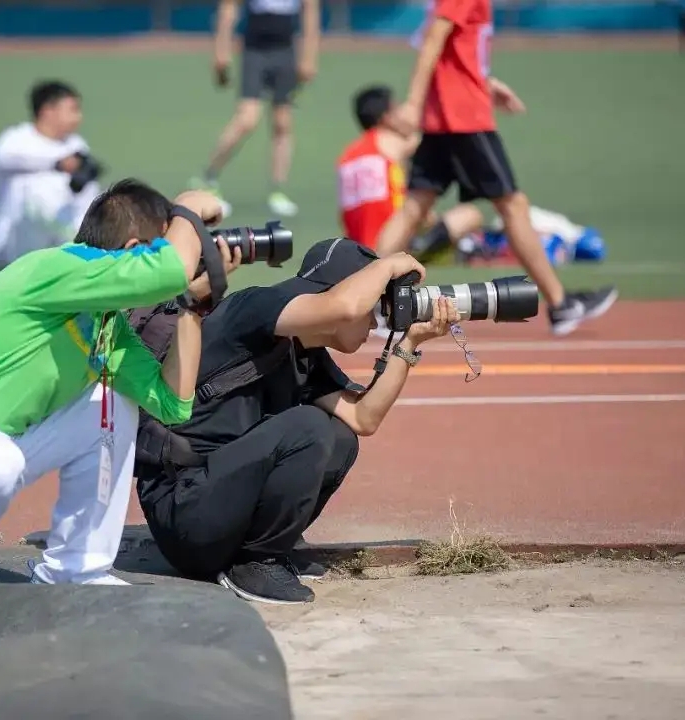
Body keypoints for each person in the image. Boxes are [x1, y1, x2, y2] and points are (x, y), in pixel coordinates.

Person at [0, 179, 238, 640]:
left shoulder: (105, 324)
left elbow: (172, 403)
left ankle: (78, 566)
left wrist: (192, 308)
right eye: (172, 243)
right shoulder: (57, 267)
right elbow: (166, 270)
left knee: (110, 402)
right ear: (135, 249)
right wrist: (189, 211)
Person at [136, 237, 460, 605]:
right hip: (184, 515)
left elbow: (363, 417)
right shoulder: (255, 307)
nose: (374, 321)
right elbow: (343, 305)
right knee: (309, 426)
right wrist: (388, 265)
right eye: (373, 307)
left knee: (340, 436)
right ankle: (255, 563)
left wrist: (410, 342)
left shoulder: (305, 353)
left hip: (217, 506)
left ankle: (263, 549)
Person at [377, 0, 618, 337]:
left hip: (450, 113)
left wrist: (485, 83)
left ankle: (366, 299)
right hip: (464, 119)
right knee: (512, 205)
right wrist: (414, 103)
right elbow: (433, 37)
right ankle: (561, 305)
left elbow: (452, 50)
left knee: (415, 207)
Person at [188, 0, 321, 219]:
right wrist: (222, 51)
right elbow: (229, 8)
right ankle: (208, 178)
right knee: (247, 119)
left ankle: (277, 190)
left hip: (286, 51)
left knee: (282, 123)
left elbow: (310, 14)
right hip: (256, 51)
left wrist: (309, 56)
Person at [337, 83, 483, 263]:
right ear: (386, 118)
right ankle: (419, 252)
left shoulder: (347, 156)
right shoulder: (391, 141)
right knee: (469, 215)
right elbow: (429, 141)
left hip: (357, 245)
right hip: (390, 241)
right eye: (398, 108)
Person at [0, 80, 104, 270]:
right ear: (48, 110)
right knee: (36, 189)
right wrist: (57, 164)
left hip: (61, 238)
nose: (78, 117)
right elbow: (3, 158)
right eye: (72, 109)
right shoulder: (16, 138)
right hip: (18, 243)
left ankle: (88, 245)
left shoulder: (76, 143)